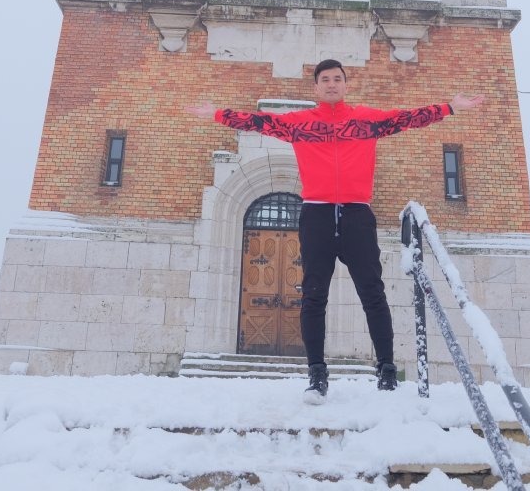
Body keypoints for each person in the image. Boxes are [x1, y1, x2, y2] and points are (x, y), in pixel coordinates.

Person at [185, 59, 483, 403]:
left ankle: (386, 371)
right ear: (315, 88)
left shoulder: (366, 120)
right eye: (324, 79)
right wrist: (218, 114)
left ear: (346, 85)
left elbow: (405, 118)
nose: (331, 84)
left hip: (357, 214)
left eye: (337, 79)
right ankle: (316, 374)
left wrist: (449, 107)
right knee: (314, 295)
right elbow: (262, 122)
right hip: (316, 214)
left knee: (373, 292)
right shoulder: (300, 124)